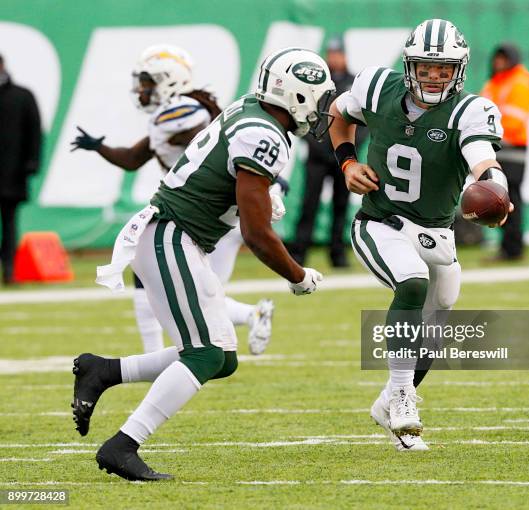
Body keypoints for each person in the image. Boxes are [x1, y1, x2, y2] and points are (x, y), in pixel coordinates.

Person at [71, 47, 335, 481]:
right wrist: (298, 274)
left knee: (223, 358)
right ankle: (123, 445)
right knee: (206, 353)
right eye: (318, 98)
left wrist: (262, 191)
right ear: (297, 95)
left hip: (178, 236)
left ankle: (104, 371)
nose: (321, 109)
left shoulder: (253, 111)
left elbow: (224, 171)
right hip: (172, 235)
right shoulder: (264, 133)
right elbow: (255, 234)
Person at [329, 19, 512, 451]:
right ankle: (404, 398)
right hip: (380, 221)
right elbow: (338, 116)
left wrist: (497, 192)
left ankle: (386, 402)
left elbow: (483, 161)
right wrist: (347, 163)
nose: (433, 76)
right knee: (411, 282)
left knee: (438, 315)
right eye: (426, 67)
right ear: (410, 65)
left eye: (443, 69)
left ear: (459, 70)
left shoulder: (469, 110)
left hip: (435, 230)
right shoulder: (376, 86)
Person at [71, 45, 284, 355]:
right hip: (212, 211)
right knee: (166, 281)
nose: (141, 90)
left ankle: (237, 325)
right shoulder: (184, 111)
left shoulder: (183, 113)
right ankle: (246, 318)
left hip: (216, 215)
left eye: (147, 82)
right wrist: (99, 148)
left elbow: (210, 143)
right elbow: (133, 158)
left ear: (167, 80)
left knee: (195, 291)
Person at [290, 37, 365, 267]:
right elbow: (303, 113)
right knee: (308, 203)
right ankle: (299, 253)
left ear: (344, 55)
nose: (334, 58)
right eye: (331, 53)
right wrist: (314, 143)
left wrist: (351, 148)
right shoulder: (318, 83)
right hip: (317, 156)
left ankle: (337, 254)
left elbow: (363, 120)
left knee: (340, 206)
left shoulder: (355, 83)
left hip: (343, 157)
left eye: (338, 53)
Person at [481, 43, 529, 261]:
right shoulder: (496, 83)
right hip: (499, 148)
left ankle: (513, 249)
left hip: (512, 149)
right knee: (500, 199)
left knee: (510, 199)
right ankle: (507, 248)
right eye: (497, 58)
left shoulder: (519, 82)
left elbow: (515, 119)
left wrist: (490, 133)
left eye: (503, 59)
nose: (498, 63)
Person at [0, 54, 42, 285]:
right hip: (10, 174)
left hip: (11, 174)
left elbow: (34, 132)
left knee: (9, 222)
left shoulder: (22, 96)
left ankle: (8, 270)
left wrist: (32, 163)